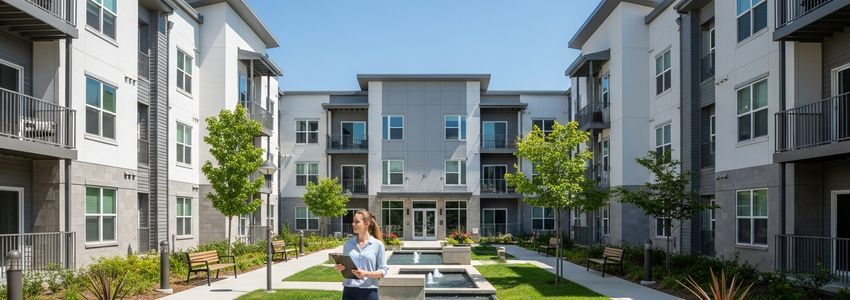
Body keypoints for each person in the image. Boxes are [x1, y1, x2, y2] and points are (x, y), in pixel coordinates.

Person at [335, 209, 388, 300]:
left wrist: (366, 274)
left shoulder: (378, 245)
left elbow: (383, 271)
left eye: (357, 222)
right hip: (349, 291)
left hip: (369, 292)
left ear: (366, 224)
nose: (353, 224)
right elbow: (346, 266)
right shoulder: (348, 244)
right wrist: (339, 268)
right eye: (353, 222)